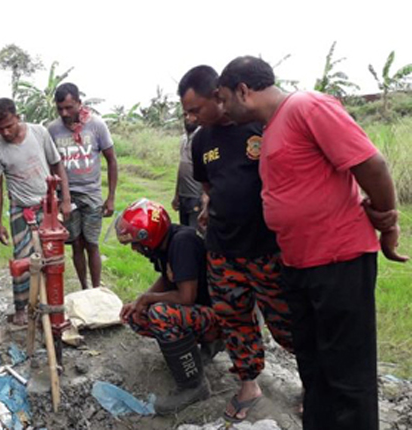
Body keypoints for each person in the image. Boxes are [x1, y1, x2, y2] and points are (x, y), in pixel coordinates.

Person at [217, 56, 409, 430]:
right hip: (299, 266)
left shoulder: (307, 106)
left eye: (224, 99)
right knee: (315, 368)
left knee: (348, 376)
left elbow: (372, 164)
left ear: (243, 90)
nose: (222, 109)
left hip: (339, 261)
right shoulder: (272, 128)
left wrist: (387, 222)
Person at [178, 65, 295, 422]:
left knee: (288, 320)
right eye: (187, 111)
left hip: (266, 248)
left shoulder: (262, 124)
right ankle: (248, 384)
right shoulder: (201, 140)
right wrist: (209, 205)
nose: (191, 117)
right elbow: (209, 186)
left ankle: (312, 381)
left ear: (219, 95)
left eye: (195, 109)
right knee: (235, 319)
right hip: (223, 250)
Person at [117, 199, 223, 414]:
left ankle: (193, 385)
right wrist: (140, 300)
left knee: (159, 314)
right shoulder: (166, 244)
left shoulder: (182, 243)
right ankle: (193, 354)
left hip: (221, 317)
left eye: (136, 243)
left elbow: (186, 297)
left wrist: (148, 300)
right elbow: (166, 279)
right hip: (204, 311)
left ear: (150, 237)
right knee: (137, 316)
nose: (135, 249)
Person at [0, 98, 71, 325]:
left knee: (52, 258)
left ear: (17, 117)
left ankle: (51, 306)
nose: (4, 131)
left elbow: (57, 164)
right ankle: (22, 308)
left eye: (9, 125)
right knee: (22, 260)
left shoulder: (39, 133)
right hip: (20, 210)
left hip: (48, 205)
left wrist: (66, 198)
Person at [47, 83, 118, 290]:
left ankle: (96, 289)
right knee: (76, 243)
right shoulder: (53, 130)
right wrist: (59, 199)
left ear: (79, 103)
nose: (64, 113)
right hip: (66, 198)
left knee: (92, 243)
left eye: (69, 107)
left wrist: (111, 197)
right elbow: (51, 165)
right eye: (60, 108)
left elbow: (111, 160)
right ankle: (84, 288)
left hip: (92, 195)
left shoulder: (96, 125)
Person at [171, 118, 203, 228]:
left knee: (195, 233)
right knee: (184, 230)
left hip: (196, 196)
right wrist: (176, 195)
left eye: (192, 114)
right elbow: (181, 170)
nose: (188, 118)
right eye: (185, 115)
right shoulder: (184, 139)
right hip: (183, 195)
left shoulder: (201, 138)